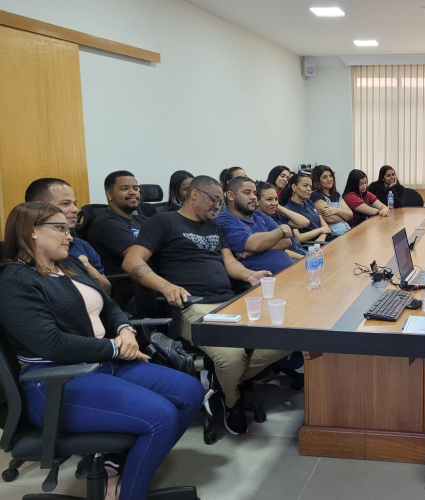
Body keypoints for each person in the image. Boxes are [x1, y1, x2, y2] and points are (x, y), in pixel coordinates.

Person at [0, 202, 204, 500]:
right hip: (57, 380)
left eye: (68, 230)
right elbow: (50, 343)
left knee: (190, 391)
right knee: (161, 417)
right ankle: (129, 493)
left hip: (103, 363)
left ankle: (121, 465)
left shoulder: (67, 265)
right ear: (32, 230)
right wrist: (113, 347)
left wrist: (124, 331)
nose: (69, 236)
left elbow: (109, 306)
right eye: (59, 229)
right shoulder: (15, 281)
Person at [121, 176, 289, 435]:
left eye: (221, 202)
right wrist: (166, 286)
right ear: (195, 194)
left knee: (287, 336)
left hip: (229, 300)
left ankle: (220, 383)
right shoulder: (163, 222)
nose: (217, 207)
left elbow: (229, 262)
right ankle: (232, 401)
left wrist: (248, 275)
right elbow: (131, 261)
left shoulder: (213, 226)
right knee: (231, 356)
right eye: (215, 200)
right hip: (193, 306)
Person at [24, 178, 111, 294]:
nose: (75, 209)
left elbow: (107, 292)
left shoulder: (82, 246)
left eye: (75, 204)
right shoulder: (22, 253)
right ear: (38, 208)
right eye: (65, 204)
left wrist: (90, 272)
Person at [87, 171, 149, 308]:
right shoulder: (106, 223)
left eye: (136, 188)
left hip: (148, 287)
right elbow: (137, 257)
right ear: (109, 195)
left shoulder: (142, 220)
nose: (133, 192)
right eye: (124, 188)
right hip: (131, 293)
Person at [216, 176, 293, 274]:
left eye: (255, 193)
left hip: (287, 270)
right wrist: (282, 230)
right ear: (231, 195)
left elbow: (287, 242)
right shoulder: (224, 220)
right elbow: (254, 244)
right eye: (247, 193)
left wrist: (253, 251)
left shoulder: (258, 215)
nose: (253, 197)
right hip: (261, 279)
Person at [256, 181, 308, 258]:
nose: (274, 202)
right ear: (257, 201)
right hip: (292, 257)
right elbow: (278, 248)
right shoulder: (257, 221)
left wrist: (278, 207)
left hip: (300, 250)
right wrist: (303, 258)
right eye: (269, 199)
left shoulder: (276, 214)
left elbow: (304, 223)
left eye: (276, 198)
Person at [278, 172, 332, 243]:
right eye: (305, 186)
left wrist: (322, 236)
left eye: (310, 186)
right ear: (294, 187)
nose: (309, 189)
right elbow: (298, 238)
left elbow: (325, 227)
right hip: (309, 245)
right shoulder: (288, 209)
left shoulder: (309, 202)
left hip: (322, 240)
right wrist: (321, 230)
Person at [310, 165, 352, 236]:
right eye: (325, 177)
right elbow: (330, 219)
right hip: (333, 236)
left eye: (330, 176)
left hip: (346, 231)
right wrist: (344, 216)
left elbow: (350, 215)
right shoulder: (315, 195)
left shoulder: (336, 194)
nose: (329, 179)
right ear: (317, 180)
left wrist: (336, 210)